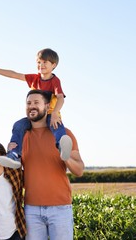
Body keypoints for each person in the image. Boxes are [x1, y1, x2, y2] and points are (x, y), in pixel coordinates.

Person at [0, 48, 72, 169]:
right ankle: (14, 155)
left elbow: (61, 98)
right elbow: (14, 74)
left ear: (53, 65)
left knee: (56, 125)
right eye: (38, 62)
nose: (41, 65)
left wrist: (56, 112)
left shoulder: (54, 81)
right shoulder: (34, 79)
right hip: (34, 117)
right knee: (19, 125)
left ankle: (63, 147)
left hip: (50, 114)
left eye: (44, 62)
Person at [20, 89, 84, 239]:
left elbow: (79, 170)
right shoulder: (21, 137)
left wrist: (66, 157)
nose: (32, 106)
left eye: (36, 102)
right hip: (31, 209)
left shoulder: (64, 134)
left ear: (48, 106)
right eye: (28, 103)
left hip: (60, 208)